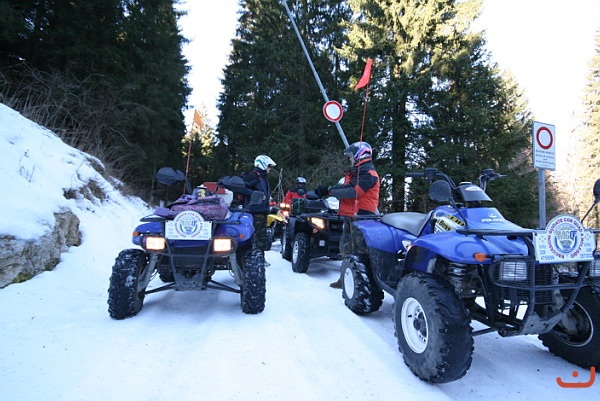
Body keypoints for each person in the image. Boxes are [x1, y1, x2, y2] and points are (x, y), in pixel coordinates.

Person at [315, 141, 379, 288]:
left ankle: (364, 284)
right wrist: (328, 189)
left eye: (351, 155)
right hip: (351, 215)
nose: (350, 158)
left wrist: (330, 191)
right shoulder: (358, 171)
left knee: (359, 251)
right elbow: (347, 186)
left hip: (362, 216)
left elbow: (353, 191)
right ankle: (346, 277)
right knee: (346, 247)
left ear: (359, 155)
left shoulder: (368, 172)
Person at [239, 155, 277, 252]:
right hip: (254, 212)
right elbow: (241, 188)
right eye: (269, 166)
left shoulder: (263, 177)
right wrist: (253, 194)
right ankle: (253, 256)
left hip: (262, 211)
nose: (270, 169)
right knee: (254, 238)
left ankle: (259, 256)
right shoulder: (254, 176)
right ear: (263, 165)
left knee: (261, 239)